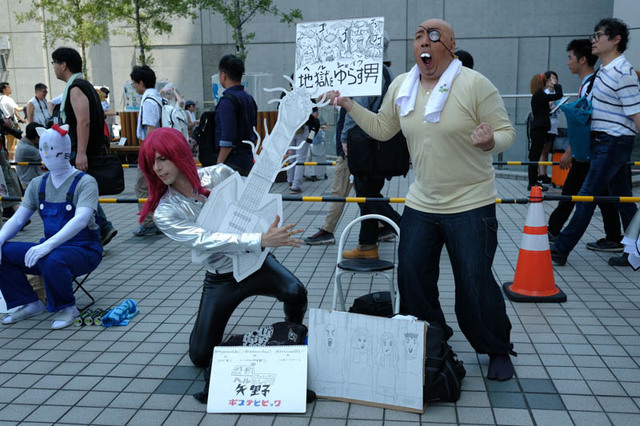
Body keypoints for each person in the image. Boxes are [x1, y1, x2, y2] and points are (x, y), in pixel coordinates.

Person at [326, 18, 516, 380]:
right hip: (422, 202)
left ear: (451, 46)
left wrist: (491, 140)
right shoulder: (402, 85)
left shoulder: (475, 84)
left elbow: (507, 132)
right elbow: (383, 128)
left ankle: (496, 347)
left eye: (433, 36)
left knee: (474, 280)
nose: (424, 43)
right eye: (418, 37)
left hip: (471, 202)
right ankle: (433, 336)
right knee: (412, 274)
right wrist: (349, 104)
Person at [137, 128, 307, 369]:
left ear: (179, 153)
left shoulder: (218, 174)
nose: (157, 168)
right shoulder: (165, 211)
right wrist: (260, 239)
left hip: (255, 263)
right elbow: (205, 239)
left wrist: (268, 166)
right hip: (221, 278)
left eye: (163, 158)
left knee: (296, 292)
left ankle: (292, 335)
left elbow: (252, 194)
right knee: (200, 355)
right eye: (151, 162)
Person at [551, 18, 640, 267]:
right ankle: (635, 251)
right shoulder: (603, 71)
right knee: (623, 200)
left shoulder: (623, 74)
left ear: (616, 40)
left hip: (613, 142)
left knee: (586, 196)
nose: (594, 40)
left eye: (598, 35)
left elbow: (636, 114)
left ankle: (560, 249)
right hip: (604, 141)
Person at [0, 125, 102, 329]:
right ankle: (29, 302)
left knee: (52, 259)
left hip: (84, 250)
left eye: (52, 150)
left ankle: (67, 307)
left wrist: (47, 246)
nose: (46, 155)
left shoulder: (86, 182)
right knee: (5, 252)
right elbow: (18, 219)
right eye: (43, 150)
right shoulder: (37, 183)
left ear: (65, 151)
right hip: (49, 248)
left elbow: (81, 220)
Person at [547, 39, 623, 252]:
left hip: (591, 150)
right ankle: (614, 237)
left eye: (570, 57)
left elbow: (586, 121)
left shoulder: (592, 84)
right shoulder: (589, 83)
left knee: (575, 193)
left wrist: (570, 151)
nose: (567, 62)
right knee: (602, 194)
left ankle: (555, 233)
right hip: (594, 150)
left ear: (582, 60)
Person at [340, 33, 401, 259]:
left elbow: (357, 109)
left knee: (367, 193)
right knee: (369, 192)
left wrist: (344, 138)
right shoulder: (388, 72)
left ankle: (403, 225)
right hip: (382, 143)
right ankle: (367, 246)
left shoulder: (368, 73)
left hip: (365, 142)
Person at [52, 47, 118, 247]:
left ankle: (100, 229)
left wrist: (80, 153)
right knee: (81, 190)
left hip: (82, 150)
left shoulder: (76, 87)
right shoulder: (84, 85)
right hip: (86, 148)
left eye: (54, 63)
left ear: (63, 65)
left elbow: (83, 121)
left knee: (78, 190)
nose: (53, 67)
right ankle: (102, 228)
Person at [130, 65, 163, 236]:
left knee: (142, 187)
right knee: (155, 187)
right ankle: (159, 221)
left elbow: (151, 129)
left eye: (134, 83)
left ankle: (149, 222)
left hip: (151, 149)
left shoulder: (149, 101)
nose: (134, 87)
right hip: (160, 149)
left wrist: (146, 155)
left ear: (141, 83)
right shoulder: (157, 98)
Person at [215, 54, 257, 176]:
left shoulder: (227, 102)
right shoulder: (249, 98)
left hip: (231, 163)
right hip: (248, 160)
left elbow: (227, 139)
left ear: (223, 76)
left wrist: (218, 165)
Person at [528, 73, 563, 191]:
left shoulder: (538, 96)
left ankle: (533, 181)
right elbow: (559, 95)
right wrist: (555, 85)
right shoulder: (540, 95)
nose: (549, 82)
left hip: (538, 128)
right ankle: (532, 183)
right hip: (539, 129)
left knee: (535, 155)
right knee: (534, 155)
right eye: (547, 81)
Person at [538, 70, 559, 184]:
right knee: (542, 150)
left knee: (547, 150)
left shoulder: (557, 93)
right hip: (544, 125)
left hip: (553, 126)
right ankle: (541, 174)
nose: (553, 81)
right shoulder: (544, 93)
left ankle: (543, 173)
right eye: (550, 79)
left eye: (555, 78)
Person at [15, 122, 44, 188]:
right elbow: (46, 156)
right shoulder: (26, 148)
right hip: (29, 182)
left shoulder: (25, 142)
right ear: (36, 137)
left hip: (32, 178)